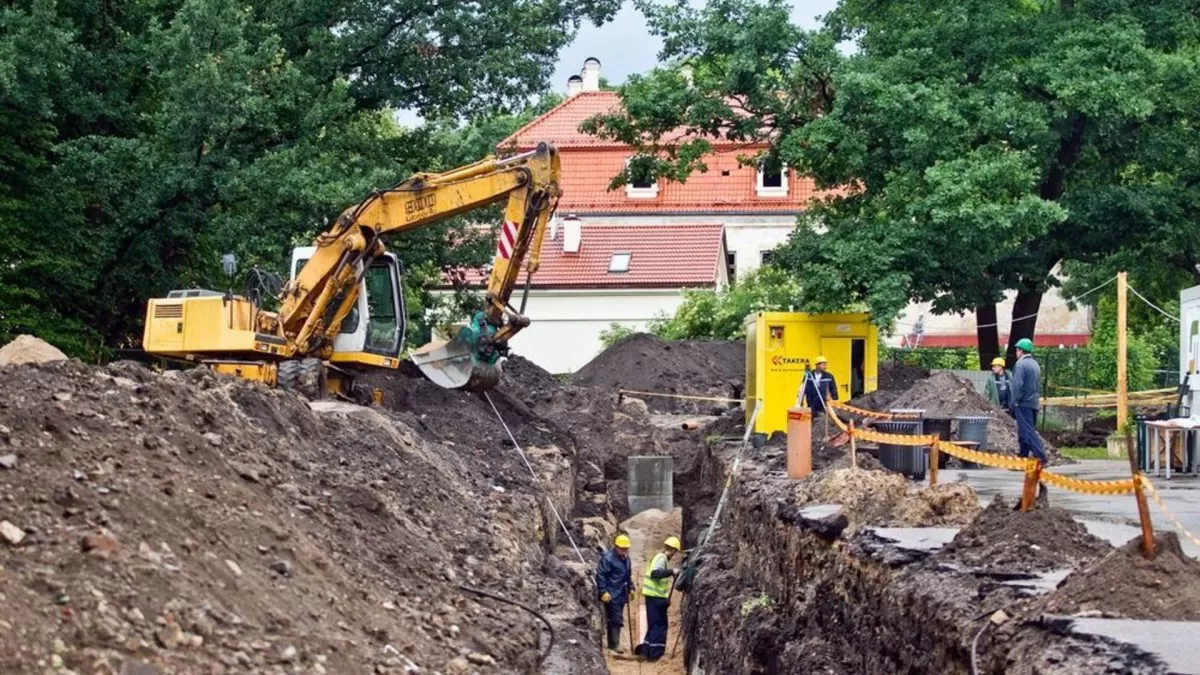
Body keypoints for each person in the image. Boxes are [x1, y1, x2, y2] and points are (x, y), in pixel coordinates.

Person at [1010, 338, 1048, 506]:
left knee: (1027, 430)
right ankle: (1023, 454)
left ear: (1021, 351)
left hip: (1023, 402)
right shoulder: (1035, 365)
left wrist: (1014, 401)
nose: (1016, 352)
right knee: (1025, 429)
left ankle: (1040, 455)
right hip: (1033, 402)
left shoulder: (1021, 365)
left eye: (1017, 349)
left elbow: (1017, 384)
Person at [634, 535, 682, 661]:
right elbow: (655, 574)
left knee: (654, 624)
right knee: (659, 625)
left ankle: (647, 650)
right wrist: (671, 572)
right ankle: (655, 653)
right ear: (672, 550)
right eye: (675, 552)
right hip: (655, 598)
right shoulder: (661, 558)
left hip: (654, 598)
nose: (674, 555)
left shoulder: (659, 558)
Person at [595, 533, 634, 654]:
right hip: (612, 593)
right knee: (615, 618)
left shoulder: (626, 558)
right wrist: (603, 591)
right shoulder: (608, 558)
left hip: (622, 592)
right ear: (616, 547)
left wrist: (631, 587)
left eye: (626, 549)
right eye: (623, 549)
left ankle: (613, 643)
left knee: (617, 617)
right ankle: (614, 644)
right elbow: (601, 575)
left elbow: (627, 575)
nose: (625, 551)